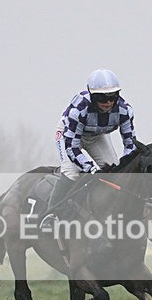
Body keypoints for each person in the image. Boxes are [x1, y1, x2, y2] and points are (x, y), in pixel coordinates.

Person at [41, 69, 138, 226]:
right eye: (101, 97)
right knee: (72, 172)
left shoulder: (125, 111)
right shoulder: (79, 109)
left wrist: (125, 166)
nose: (108, 102)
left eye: (112, 96)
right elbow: (72, 147)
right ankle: (51, 215)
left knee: (114, 172)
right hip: (69, 136)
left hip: (97, 136)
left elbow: (130, 144)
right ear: (92, 96)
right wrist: (90, 168)